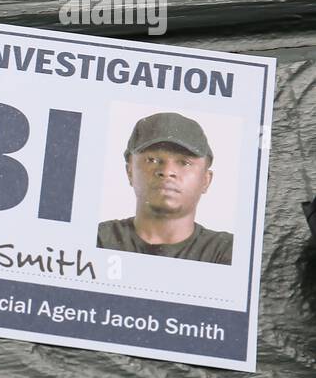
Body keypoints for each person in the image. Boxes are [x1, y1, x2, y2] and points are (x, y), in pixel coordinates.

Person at [96, 112, 232, 265]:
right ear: (130, 172)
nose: (167, 171)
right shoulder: (98, 239)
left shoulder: (228, 251)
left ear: (206, 180)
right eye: (152, 160)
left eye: (184, 162)